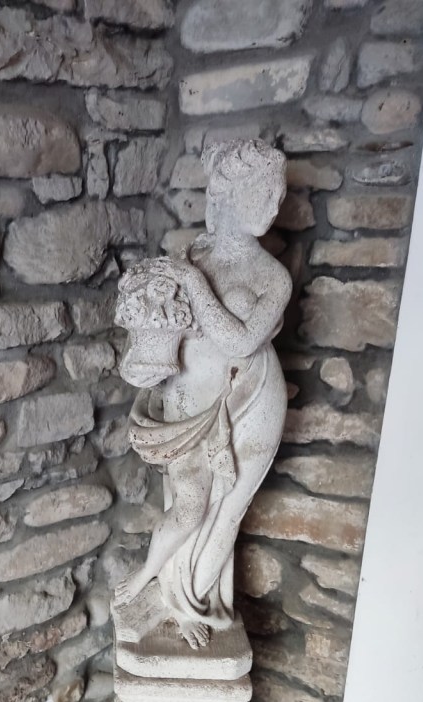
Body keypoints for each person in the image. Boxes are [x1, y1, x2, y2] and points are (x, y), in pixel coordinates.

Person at [113, 138, 290, 650]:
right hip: (191, 398)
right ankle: (161, 584)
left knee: (225, 507)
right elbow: (165, 318)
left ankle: (195, 601)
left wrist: (192, 283)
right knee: (188, 502)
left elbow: (242, 341)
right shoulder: (193, 253)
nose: (273, 206)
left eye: (279, 196)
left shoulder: (272, 276)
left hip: (251, 398)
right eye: (264, 193)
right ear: (229, 194)